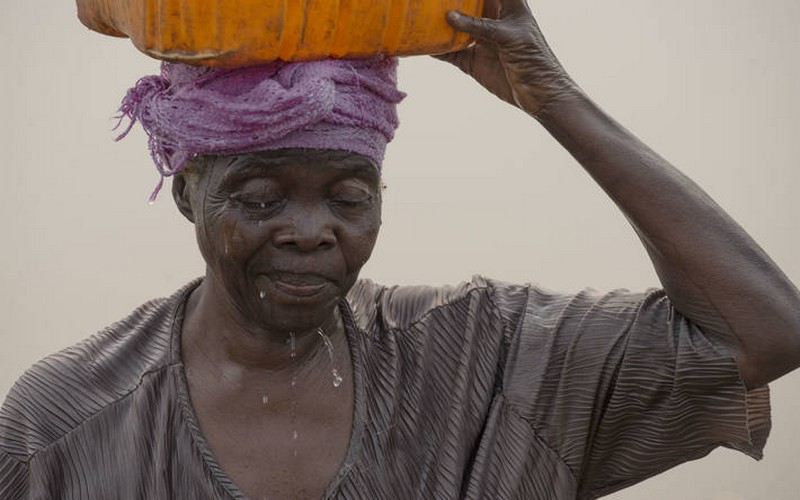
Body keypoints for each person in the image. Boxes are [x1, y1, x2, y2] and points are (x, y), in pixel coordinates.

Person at [1, 0, 798, 498]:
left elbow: (762, 331)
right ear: (188, 195)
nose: (310, 230)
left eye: (349, 198)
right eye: (261, 197)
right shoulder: (64, 427)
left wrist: (553, 98)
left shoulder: (485, 360)